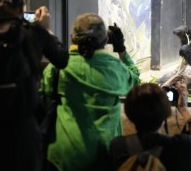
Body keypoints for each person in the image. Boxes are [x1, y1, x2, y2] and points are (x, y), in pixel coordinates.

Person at [39, 12, 140, 171]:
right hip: (104, 155)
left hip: (64, 156)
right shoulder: (114, 68)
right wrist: (121, 48)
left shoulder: (58, 67)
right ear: (106, 40)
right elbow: (135, 82)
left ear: (73, 37)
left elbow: (42, 95)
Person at [0, 0, 68, 171]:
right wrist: (46, 30)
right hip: (22, 135)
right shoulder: (32, 33)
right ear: (20, 7)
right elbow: (62, 59)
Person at [110, 82, 191, 171]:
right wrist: (184, 110)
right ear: (166, 113)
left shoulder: (117, 146)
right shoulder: (180, 146)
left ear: (129, 114)